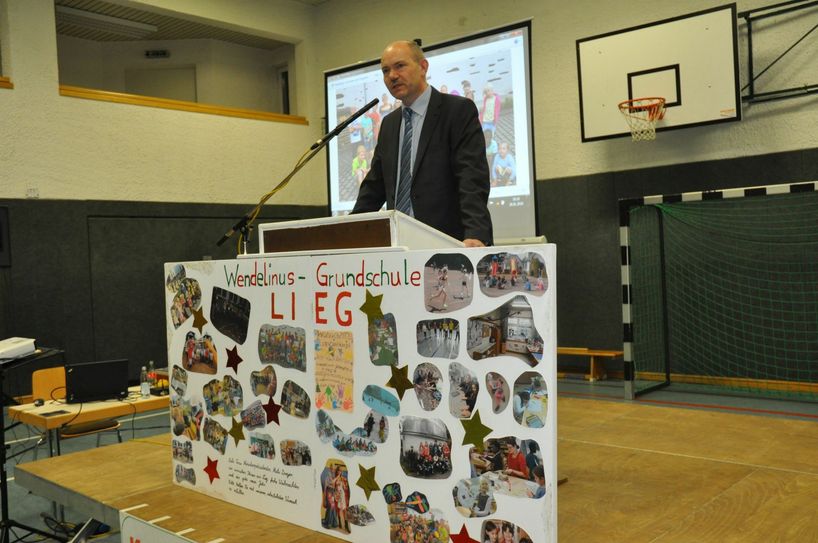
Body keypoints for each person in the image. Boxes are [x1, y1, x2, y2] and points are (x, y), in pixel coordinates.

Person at [352, 40, 492, 247]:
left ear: (423, 67)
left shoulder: (457, 111)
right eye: (385, 70)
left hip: (447, 243)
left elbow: (471, 177)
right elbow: (374, 187)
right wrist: (348, 230)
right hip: (398, 248)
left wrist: (476, 232)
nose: (392, 76)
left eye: (400, 66)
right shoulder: (389, 124)